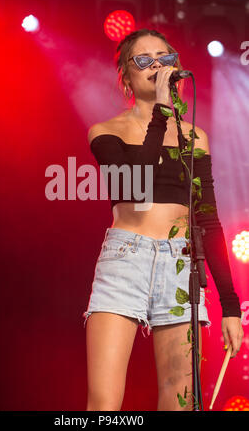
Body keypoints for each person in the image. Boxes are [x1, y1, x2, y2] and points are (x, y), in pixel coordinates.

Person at [83, 28, 243, 411]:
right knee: (103, 403)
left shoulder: (194, 138)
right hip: (126, 260)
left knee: (179, 396)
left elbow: (209, 220)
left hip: (180, 263)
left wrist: (231, 306)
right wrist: (160, 114)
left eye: (164, 58)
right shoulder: (106, 131)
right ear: (126, 74)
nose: (157, 65)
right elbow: (135, 190)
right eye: (144, 60)